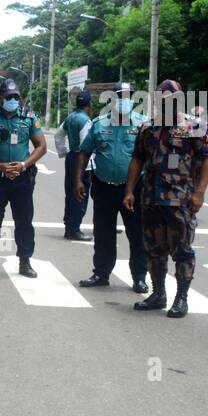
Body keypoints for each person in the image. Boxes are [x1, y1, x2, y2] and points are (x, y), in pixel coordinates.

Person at [124, 78, 208, 317]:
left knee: (182, 250)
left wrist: (200, 193)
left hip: (180, 200)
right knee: (154, 249)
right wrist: (129, 190)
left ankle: (181, 298)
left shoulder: (192, 126)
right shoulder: (148, 127)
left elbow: (207, 158)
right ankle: (158, 294)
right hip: (151, 198)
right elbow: (137, 159)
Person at [77, 83, 148, 293]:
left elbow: (150, 157)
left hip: (134, 189)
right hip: (104, 186)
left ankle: (139, 277)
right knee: (103, 233)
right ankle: (101, 273)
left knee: (137, 234)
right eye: (120, 96)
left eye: (128, 96)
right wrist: (78, 180)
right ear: (112, 100)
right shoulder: (98, 124)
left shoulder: (142, 125)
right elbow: (84, 152)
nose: (124, 100)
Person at [0, 78, 44, 278]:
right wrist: (0, 166)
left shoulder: (29, 119)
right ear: (0, 98)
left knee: (24, 221)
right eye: (8, 97)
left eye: (16, 97)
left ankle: (25, 262)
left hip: (22, 178)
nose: (13, 100)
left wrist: (23, 165)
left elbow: (41, 146)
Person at [60, 90, 93, 241]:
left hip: (71, 157)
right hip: (81, 159)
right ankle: (74, 229)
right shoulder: (85, 121)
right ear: (89, 105)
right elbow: (86, 145)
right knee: (81, 193)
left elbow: (58, 135)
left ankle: (69, 226)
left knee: (70, 193)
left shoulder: (70, 117)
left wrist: (63, 152)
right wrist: (89, 167)